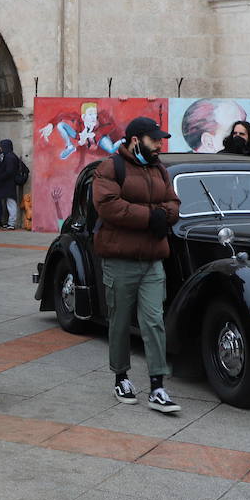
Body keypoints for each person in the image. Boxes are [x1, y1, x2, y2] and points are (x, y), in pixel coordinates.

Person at [91, 117, 182, 413]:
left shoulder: (160, 169)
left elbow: (174, 204)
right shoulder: (111, 167)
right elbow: (108, 206)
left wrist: (162, 215)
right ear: (135, 140)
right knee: (118, 321)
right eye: (154, 139)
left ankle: (158, 386)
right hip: (120, 260)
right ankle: (121, 377)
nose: (159, 144)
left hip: (153, 260)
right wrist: (150, 217)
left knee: (154, 320)